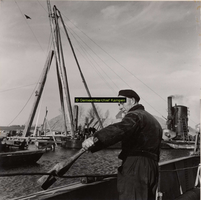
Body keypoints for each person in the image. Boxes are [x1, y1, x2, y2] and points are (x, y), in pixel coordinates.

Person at [82, 89, 162, 200]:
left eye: (122, 102)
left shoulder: (135, 115)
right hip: (152, 167)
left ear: (133, 101)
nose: (120, 107)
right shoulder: (153, 120)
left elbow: (119, 129)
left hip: (136, 166)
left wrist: (95, 139)